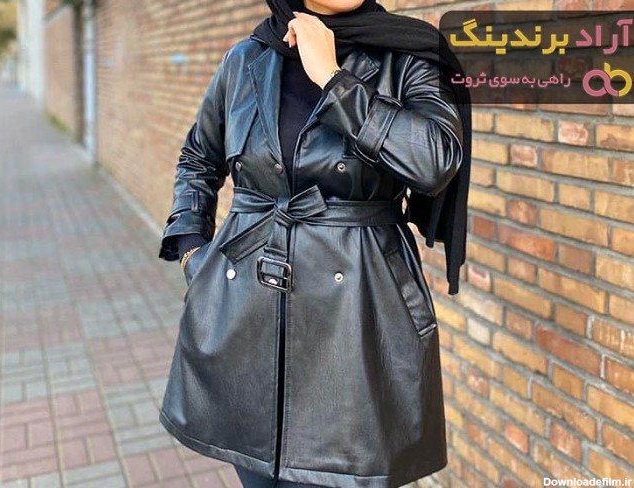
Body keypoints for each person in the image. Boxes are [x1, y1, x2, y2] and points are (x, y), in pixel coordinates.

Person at [158, 0, 472, 487]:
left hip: (357, 317)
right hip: (246, 314)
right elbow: (199, 157)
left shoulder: (408, 54)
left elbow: (435, 161)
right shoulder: (246, 58)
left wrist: (333, 79)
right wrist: (193, 253)